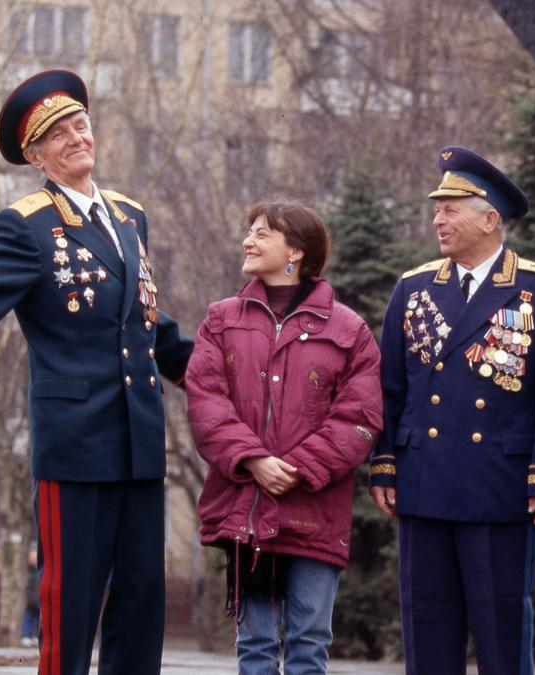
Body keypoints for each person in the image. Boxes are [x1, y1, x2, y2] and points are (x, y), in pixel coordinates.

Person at [0, 69, 192, 675]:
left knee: (141, 601)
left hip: (139, 437)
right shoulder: (26, 223)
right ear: (36, 155)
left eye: (81, 125)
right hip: (76, 440)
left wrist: (219, 370)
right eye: (59, 134)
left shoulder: (129, 215)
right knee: (72, 602)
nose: (76, 138)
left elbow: (147, 322)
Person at [369, 147, 535, 674]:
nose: (438, 219)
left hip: (499, 488)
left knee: (502, 634)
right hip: (424, 482)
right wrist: (385, 462)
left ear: (489, 217)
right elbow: (391, 387)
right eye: (437, 208)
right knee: (428, 633)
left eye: (451, 207)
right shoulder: (413, 289)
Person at [187, 201, 383, 674]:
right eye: (248, 231)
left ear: (296, 250)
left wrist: (294, 469)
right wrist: (254, 460)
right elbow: (205, 402)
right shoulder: (221, 319)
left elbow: (360, 417)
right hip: (246, 509)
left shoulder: (349, 329)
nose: (247, 241)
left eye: (261, 234)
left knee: (309, 643)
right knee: (254, 644)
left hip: (314, 509)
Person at [21, 545, 40, 647]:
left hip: (36, 599)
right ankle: (26, 635)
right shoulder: (31, 573)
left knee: (37, 618)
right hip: (32, 600)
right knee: (29, 617)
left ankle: (35, 636)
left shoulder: (37, 572)